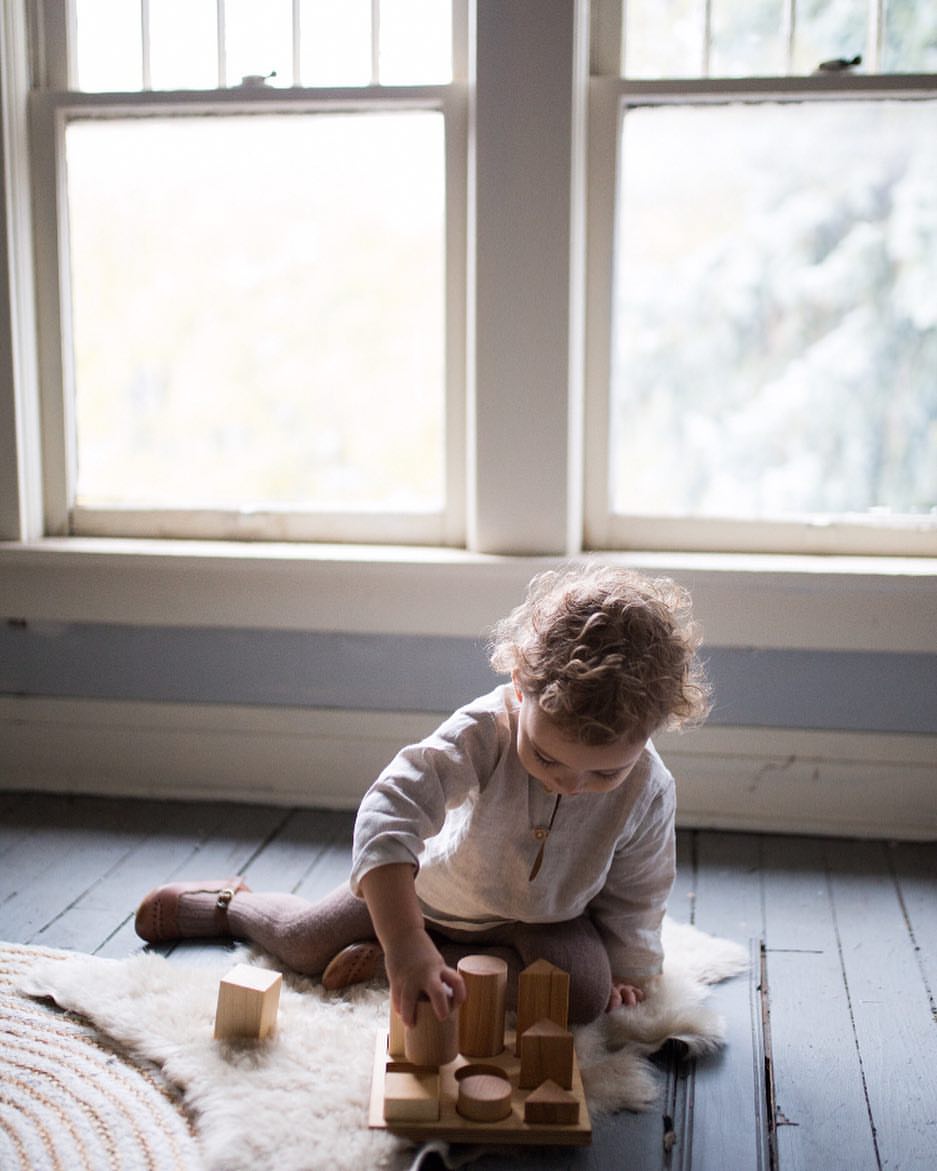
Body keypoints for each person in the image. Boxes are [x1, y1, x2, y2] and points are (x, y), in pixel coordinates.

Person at [135, 564, 711, 1030]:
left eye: (601, 775)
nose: (570, 784)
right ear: (519, 687)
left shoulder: (647, 789)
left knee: (582, 995)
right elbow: (389, 813)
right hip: (429, 896)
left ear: (654, 732)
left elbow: (639, 891)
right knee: (304, 943)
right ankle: (228, 906)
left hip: (542, 922)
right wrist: (407, 939)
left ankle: (395, 967)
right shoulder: (484, 732)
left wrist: (632, 970)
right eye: (549, 759)